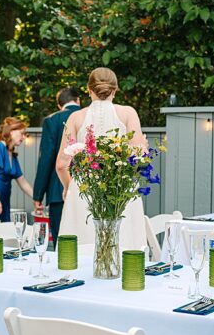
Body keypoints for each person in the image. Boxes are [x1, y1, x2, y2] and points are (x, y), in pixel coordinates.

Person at [56, 68, 147, 250]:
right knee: (123, 246)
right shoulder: (128, 113)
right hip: (120, 190)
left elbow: (61, 164)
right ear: (114, 90)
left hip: (85, 190)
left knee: (81, 250)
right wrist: (142, 145)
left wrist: (69, 188)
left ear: (89, 90)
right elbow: (139, 154)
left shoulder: (75, 117)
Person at [32, 87, 82, 244]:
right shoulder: (87, 116)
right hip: (88, 188)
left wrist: (38, 195)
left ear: (59, 105)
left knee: (61, 240)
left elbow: (46, 159)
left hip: (58, 190)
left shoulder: (52, 121)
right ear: (78, 100)